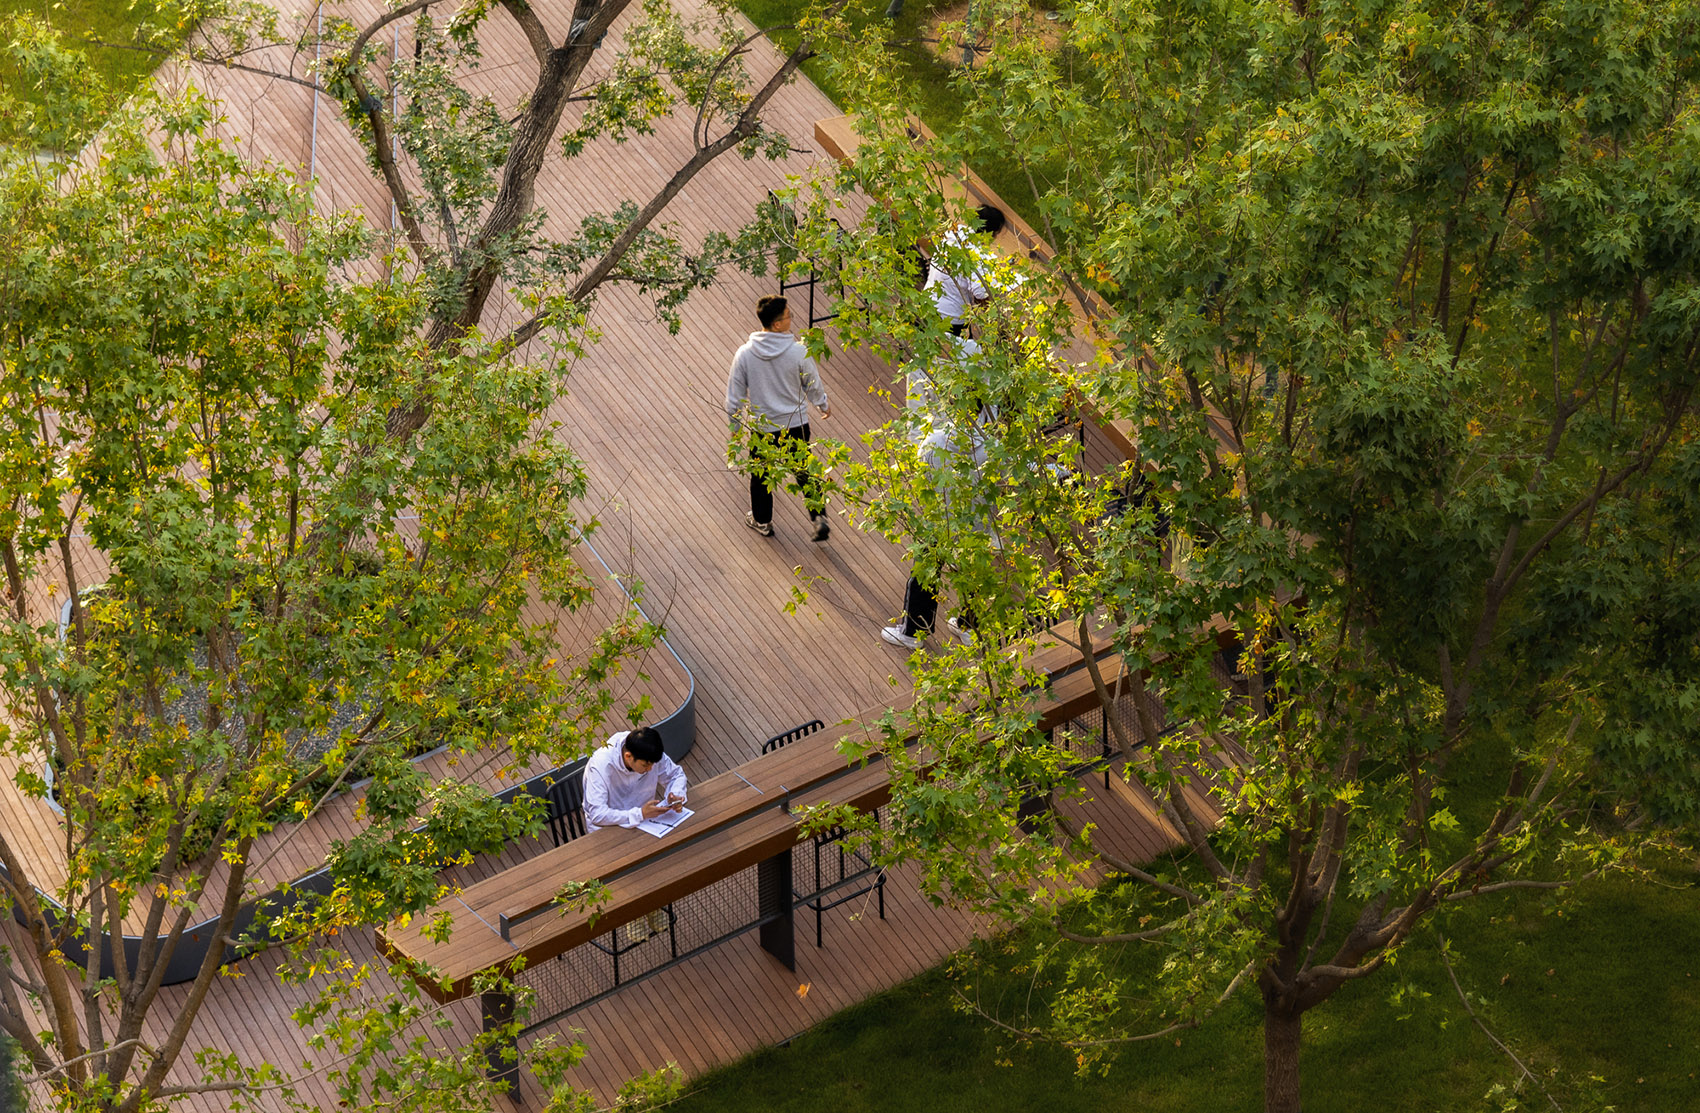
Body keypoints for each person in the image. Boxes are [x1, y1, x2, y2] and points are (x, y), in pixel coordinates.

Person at [725, 295, 833, 541]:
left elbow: (734, 396)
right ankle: (818, 517)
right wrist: (822, 404)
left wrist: (734, 425)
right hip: (796, 424)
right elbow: (812, 384)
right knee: (805, 470)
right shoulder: (798, 352)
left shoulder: (745, 355)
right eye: (789, 316)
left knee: (761, 476)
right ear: (777, 324)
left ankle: (762, 521)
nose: (791, 319)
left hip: (763, 428)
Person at [581, 726, 688, 834]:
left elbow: (676, 775)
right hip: (608, 828)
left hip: (647, 823)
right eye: (645, 765)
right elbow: (598, 814)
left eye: (652, 764)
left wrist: (675, 794)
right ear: (628, 756)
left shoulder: (647, 750)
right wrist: (640, 814)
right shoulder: (600, 765)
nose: (650, 769)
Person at [923, 204, 1007, 333]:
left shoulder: (952, 234)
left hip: (927, 302)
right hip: (950, 316)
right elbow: (980, 292)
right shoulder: (978, 255)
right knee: (964, 351)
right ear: (992, 234)